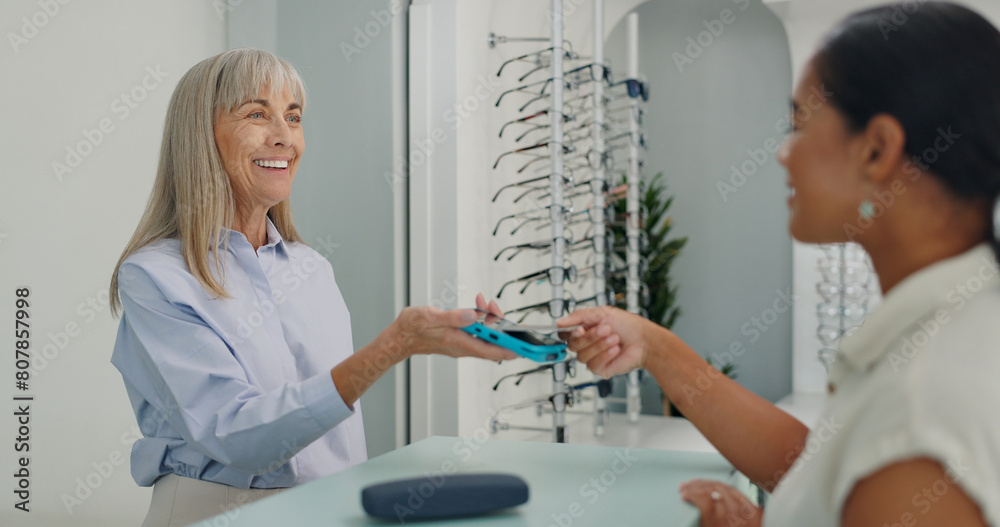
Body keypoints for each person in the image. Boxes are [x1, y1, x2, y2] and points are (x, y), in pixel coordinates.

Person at [560, 3, 999, 526]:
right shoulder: (954, 326)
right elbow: (827, 467)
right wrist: (654, 346)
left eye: (798, 126)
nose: (782, 154)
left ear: (878, 150)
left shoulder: (920, 407)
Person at [108, 48, 515, 527]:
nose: (284, 138)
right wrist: (395, 344)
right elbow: (239, 436)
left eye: (294, 117)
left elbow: (336, 443)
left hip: (330, 509)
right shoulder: (154, 277)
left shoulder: (312, 269)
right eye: (257, 114)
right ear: (200, 137)